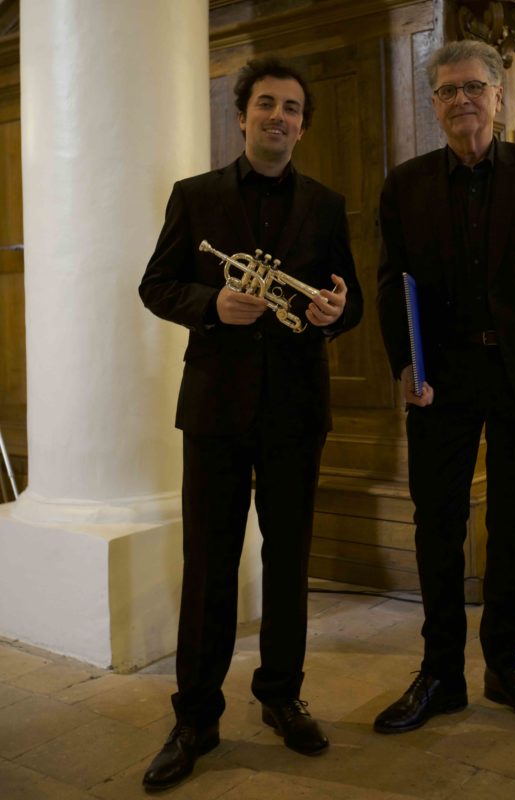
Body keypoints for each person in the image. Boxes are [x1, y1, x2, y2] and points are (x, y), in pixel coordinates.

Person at [139, 56, 363, 791]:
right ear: (241, 116)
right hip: (215, 408)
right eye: (266, 103)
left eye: (291, 108)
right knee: (208, 563)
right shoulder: (195, 196)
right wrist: (212, 305)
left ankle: (280, 696)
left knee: (289, 560)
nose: (278, 116)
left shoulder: (325, 205)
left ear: (301, 126)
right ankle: (195, 717)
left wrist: (336, 312)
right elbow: (156, 284)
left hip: (296, 408)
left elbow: (349, 300)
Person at [375, 39, 515, 734]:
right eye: (446, 90)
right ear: (433, 104)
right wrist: (404, 366)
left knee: (514, 521)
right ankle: (440, 673)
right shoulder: (404, 185)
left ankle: (504, 664)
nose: (460, 99)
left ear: (498, 95)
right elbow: (390, 283)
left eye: (472, 87)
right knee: (436, 525)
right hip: (440, 381)